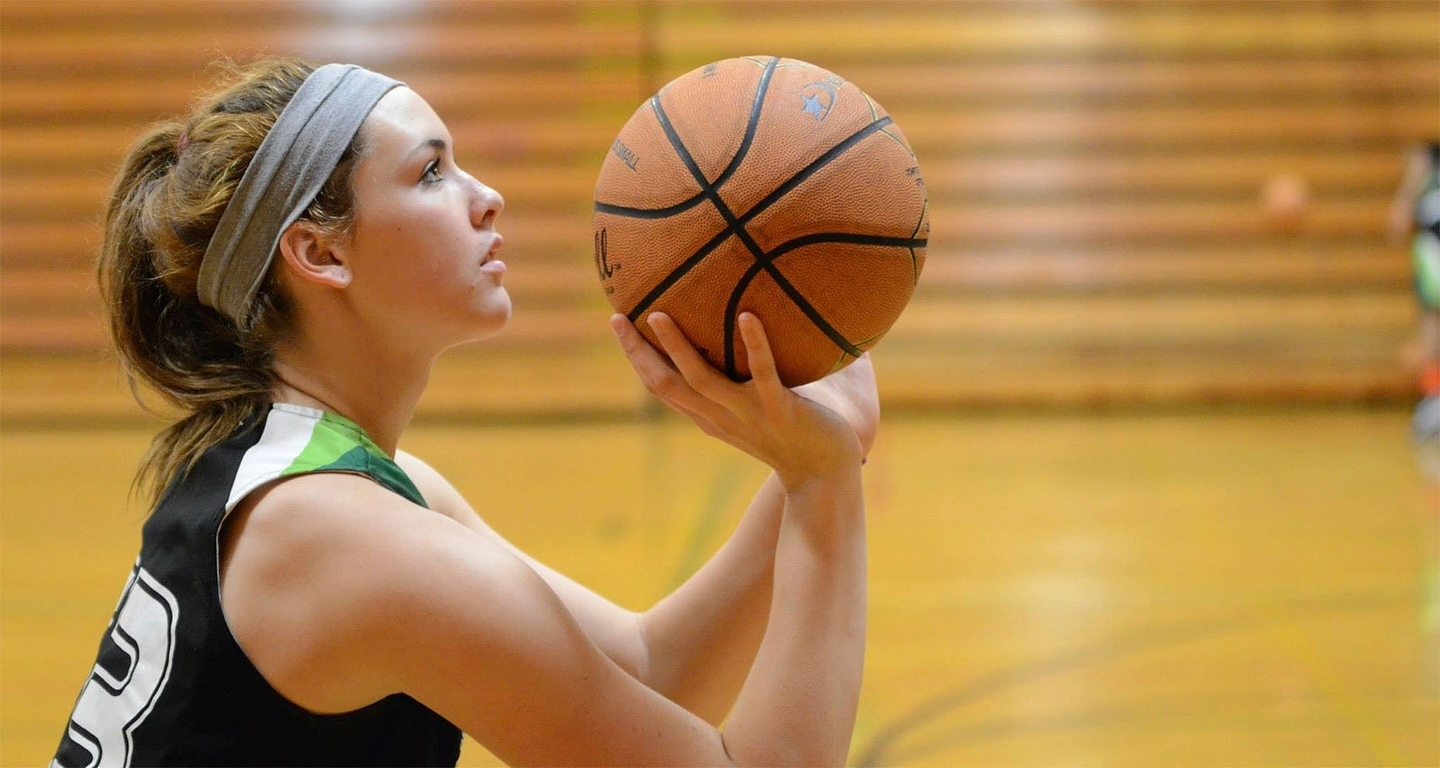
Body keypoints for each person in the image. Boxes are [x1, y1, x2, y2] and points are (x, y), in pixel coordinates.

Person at [52, 58, 876, 767]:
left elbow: (653, 668)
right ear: (321, 252)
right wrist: (823, 483)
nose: (489, 198)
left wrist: (822, 454)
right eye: (432, 173)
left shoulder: (334, 483)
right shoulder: (346, 541)